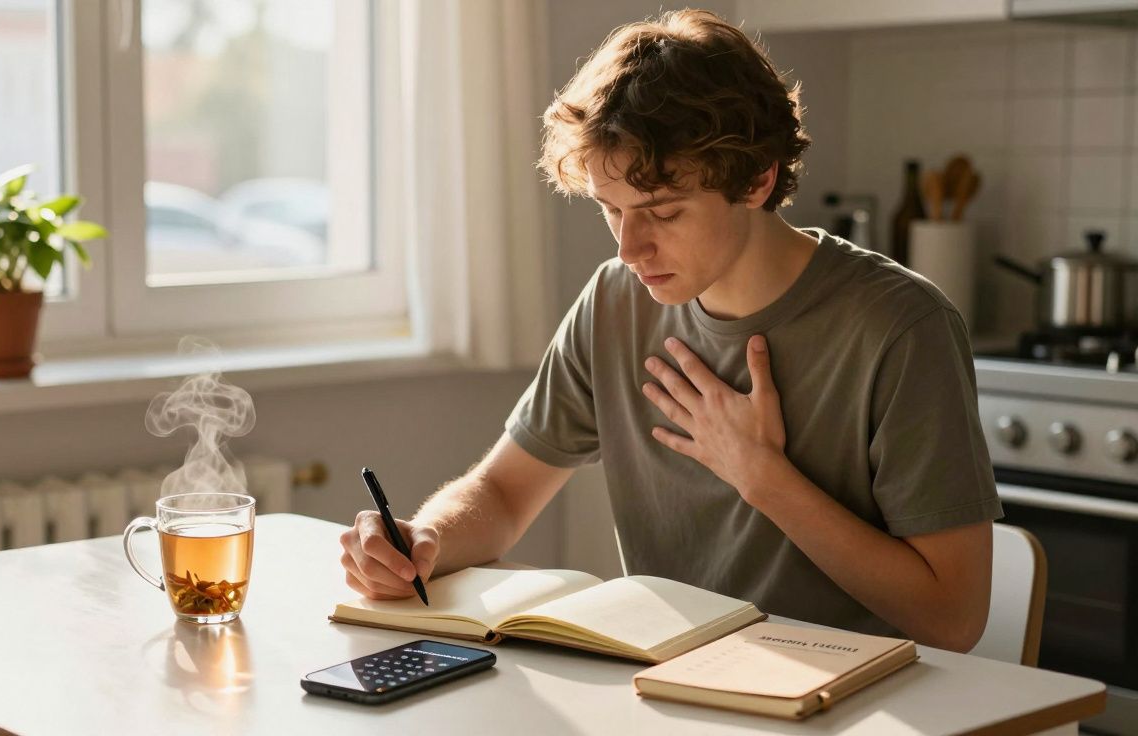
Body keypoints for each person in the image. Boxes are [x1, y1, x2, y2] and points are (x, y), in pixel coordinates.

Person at [339, 9, 1002, 650]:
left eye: (661, 211)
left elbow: (953, 620)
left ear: (757, 180)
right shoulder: (615, 302)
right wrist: (424, 541)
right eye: (611, 209)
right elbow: (505, 493)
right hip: (670, 689)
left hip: (853, 703)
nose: (630, 248)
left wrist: (763, 477)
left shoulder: (900, 327)